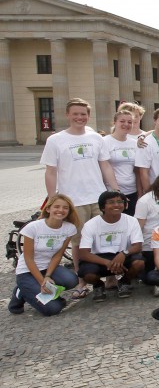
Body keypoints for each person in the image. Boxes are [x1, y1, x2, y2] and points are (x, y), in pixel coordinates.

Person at [42, 98, 118, 268]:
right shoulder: (55, 140)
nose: (79, 117)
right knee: (78, 240)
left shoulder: (96, 138)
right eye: (75, 114)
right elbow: (51, 171)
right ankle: (81, 277)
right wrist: (52, 198)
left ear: (88, 116)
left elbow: (105, 165)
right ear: (67, 115)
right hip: (73, 199)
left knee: (104, 236)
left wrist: (115, 189)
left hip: (98, 196)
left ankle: (109, 277)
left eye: (83, 114)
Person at [8, 194, 81, 316]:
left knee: (71, 280)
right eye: (56, 207)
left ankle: (32, 289)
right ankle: (22, 290)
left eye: (65, 208)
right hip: (27, 270)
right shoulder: (33, 227)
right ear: (48, 209)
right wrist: (42, 281)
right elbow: (28, 258)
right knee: (53, 309)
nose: (61, 210)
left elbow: (58, 255)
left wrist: (47, 276)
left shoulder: (69, 228)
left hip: (48, 268)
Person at [78, 191, 145, 300]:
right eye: (111, 202)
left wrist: (124, 254)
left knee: (139, 263)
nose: (116, 205)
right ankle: (98, 285)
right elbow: (83, 253)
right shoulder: (91, 224)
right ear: (102, 207)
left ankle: (124, 282)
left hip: (122, 255)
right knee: (88, 274)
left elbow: (137, 246)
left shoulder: (131, 221)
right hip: (100, 258)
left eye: (120, 201)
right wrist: (107, 262)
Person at [103, 110, 140, 214]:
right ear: (114, 123)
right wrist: (117, 192)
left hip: (132, 191)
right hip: (112, 192)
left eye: (129, 122)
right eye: (122, 121)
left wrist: (139, 192)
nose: (126, 124)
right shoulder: (105, 142)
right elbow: (104, 167)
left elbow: (136, 170)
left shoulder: (134, 143)